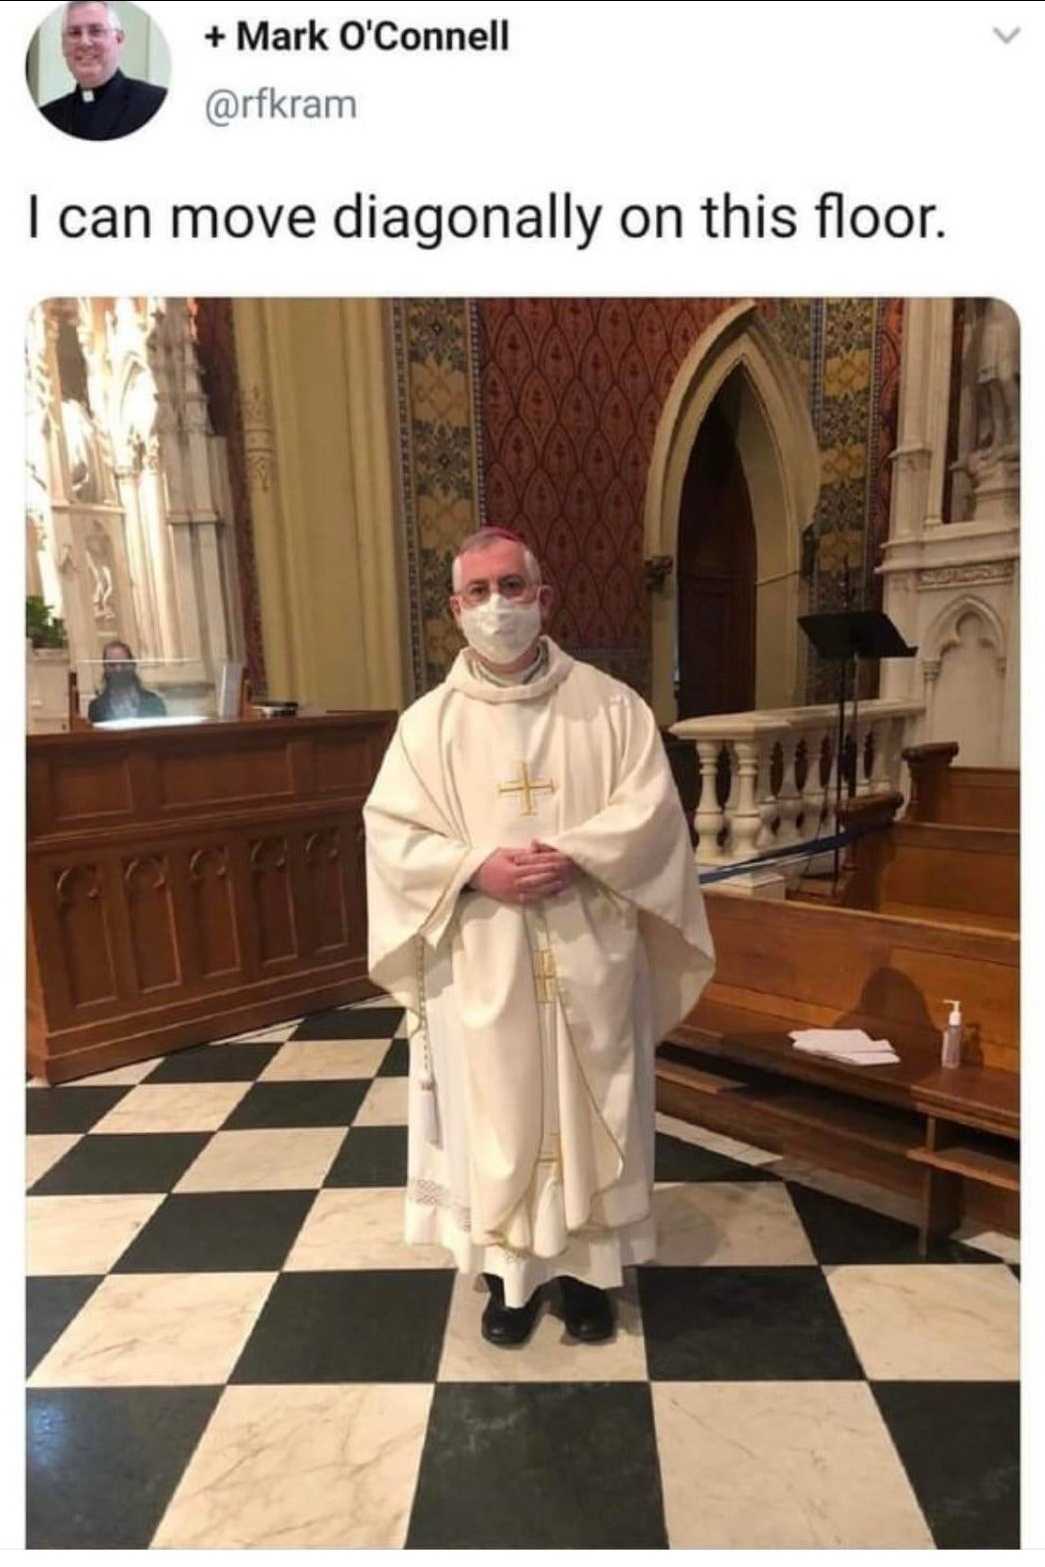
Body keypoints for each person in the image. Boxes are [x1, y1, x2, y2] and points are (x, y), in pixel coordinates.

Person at [363, 528, 715, 1347]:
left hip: (590, 945)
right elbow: (391, 834)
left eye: (512, 586)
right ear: (454, 609)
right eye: (478, 592)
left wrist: (580, 852)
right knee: (496, 1111)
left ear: (544, 596)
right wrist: (476, 867)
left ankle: (588, 1275)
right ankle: (508, 1281)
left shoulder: (612, 707)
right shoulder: (426, 727)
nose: (497, 606)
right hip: (479, 958)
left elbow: (652, 814)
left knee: (596, 1109)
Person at [40, 2, 167, 141]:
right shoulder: (47, 116)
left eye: (96, 31)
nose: (84, 42)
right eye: (74, 33)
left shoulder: (157, 104)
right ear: (63, 46)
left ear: (118, 40)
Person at [88, 639, 167, 722]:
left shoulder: (153, 702)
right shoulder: (96, 707)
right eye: (112, 665)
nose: (118, 669)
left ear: (132, 665)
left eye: (123, 664)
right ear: (105, 668)